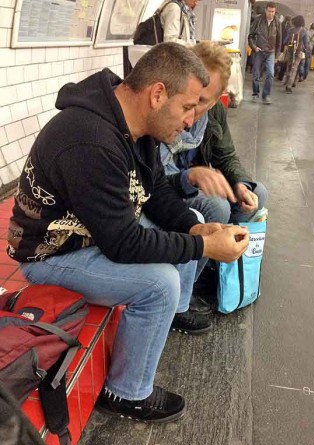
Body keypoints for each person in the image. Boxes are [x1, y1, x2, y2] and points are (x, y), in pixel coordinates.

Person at [7, 43, 249, 423]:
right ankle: (125, 393)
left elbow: (156, 194)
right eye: (188, 107)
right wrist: (203, 245)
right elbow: (123, 243)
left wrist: (193, 226)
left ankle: (158, 331)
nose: (190, 121)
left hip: (94, 235)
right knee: (160, 283)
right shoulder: (89, 139)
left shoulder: (137, 127)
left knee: (181, 222)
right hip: (52, 256)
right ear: (157, 94)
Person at [160, 42, 267, 303]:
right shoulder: (168, 108)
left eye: (202, 101)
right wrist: (190, 177)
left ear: (218, 98)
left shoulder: (213, 113)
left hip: (190, 180)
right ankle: (186, 293)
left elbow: (225, 154)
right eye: (190, 97)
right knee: (216, 208)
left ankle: (214, 261)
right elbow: (153, 180)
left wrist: (240, 183)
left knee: (256, 193)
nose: (192, 109)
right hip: (171, 185)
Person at [248, 2, 282, 104]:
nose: (271, 14)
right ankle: (255, 93)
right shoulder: (258, 20)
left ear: (275, 12)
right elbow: (250, 36)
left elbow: (279, 40)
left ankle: (266, 95)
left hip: (271, 52)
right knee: (256, 74)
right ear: (265, 10)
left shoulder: (277, 22)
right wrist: (254, 47)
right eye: (269, 11)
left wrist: (277, 55)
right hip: (259, 51)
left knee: (270, 74)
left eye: (273, 12)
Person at [284, 15, 310, 94]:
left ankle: (288, 81)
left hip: (290, 50)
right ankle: (289, 86)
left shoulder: (290, 30)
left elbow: (285, 42)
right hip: (298, 52)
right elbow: (306, 44)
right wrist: (307, 52)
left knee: (289, 66)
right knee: (295, 68)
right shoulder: (304, 31)